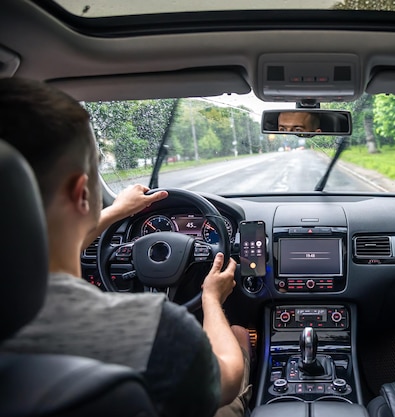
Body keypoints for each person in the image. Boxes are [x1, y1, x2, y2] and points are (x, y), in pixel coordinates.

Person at [0, 77, 251, 417]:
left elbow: (52, 243)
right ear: (83, 193)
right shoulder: (153, 329)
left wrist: (117, 211)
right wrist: (211, 299)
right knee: (237, 339)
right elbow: (228, 380)